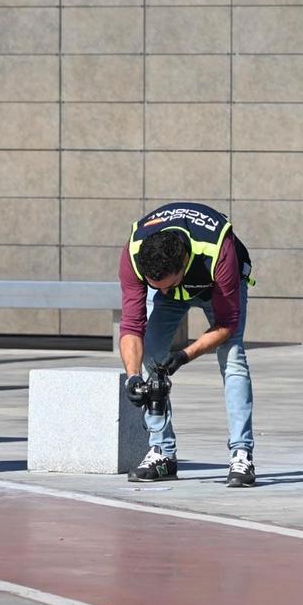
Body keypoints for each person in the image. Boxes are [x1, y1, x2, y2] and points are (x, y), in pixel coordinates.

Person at [118, 202, 256, 487]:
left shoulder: (219, 249)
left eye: (167, 285)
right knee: (151, 357)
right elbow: (132, 325)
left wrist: (184, 355)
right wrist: (132, 377)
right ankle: (162, 454)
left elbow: (227, 324)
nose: (163, 292)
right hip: (183, 281)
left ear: (184, 263)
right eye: (155, 286)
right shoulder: (134, 252)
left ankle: (242, 454)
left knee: (232, 358)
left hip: (217, 287)